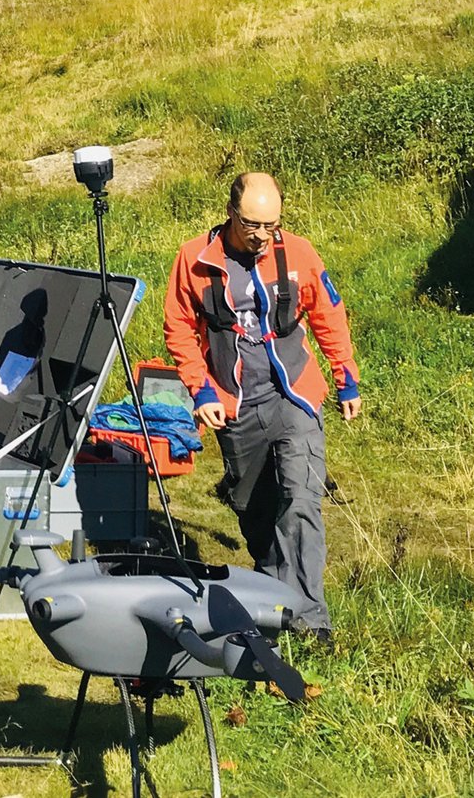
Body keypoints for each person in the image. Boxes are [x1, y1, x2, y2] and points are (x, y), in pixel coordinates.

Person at [163, 172, 362, 649]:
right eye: (252, 224)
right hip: (235, 404)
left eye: (271, 224)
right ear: (231, 213)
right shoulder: (195, 260)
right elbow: (180, 330)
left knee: (300, 500)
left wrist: (345, 375)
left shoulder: (298, 253)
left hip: (295, 395)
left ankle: (310, 619)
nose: (262, 235)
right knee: (254, 509)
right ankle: (273, 601)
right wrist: (202, 391)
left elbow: (328, 314)